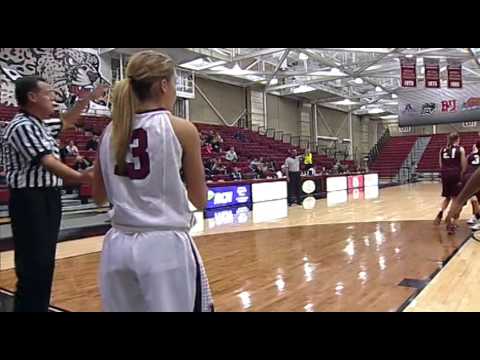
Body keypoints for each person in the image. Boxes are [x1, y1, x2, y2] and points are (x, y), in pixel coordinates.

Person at [90, 50, 213, 312]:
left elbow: (98, 197)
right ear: (164, 85)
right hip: (164, 249)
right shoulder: (181, 129)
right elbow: (200, 200)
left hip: (117, 247)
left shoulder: (109, 131)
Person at [2, 76, 93, 312]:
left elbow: (68, 120)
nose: (54, 98)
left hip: (47, 197)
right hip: (30, 199)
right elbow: (48, 162)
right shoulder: (22, 126)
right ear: (32, 97)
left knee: (44, 265)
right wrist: (83, 177)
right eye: (49, 93)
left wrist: (86, 100)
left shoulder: (40, 125)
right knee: (34, 267)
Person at [433, 132, 467, 234]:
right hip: (455, 174)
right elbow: (463, 165)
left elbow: (440, 164)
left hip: (445, 174)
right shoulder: (460, 149)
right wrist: (461, 177)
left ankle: (440, 212)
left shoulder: (442, 149)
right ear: (458, 139)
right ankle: (450, 221)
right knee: (456, 199)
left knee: (447, 197)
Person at [463, 141, 480, 228]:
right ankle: (475, 217)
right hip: (473, 180)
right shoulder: (470, 156)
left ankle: (477, 218)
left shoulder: (470, 156)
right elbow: (465, 167)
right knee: (474, 200)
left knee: (474, 200)